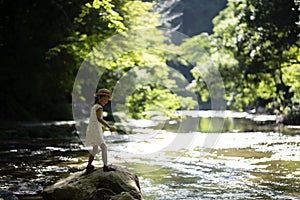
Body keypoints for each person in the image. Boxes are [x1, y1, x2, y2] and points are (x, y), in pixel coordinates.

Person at [85, 88, 117, 172]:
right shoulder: (99, 108)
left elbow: (95, 119)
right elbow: (99, 119)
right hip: (95, 130)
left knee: (95, 148)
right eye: (104, 99)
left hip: (92, 129)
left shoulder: (94, 107)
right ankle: (106, 166)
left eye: (107, 100)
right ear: (99, 98)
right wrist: (109, 127)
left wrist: (101, 128)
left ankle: (89, 165)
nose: (105, 102)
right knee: (104, 147)